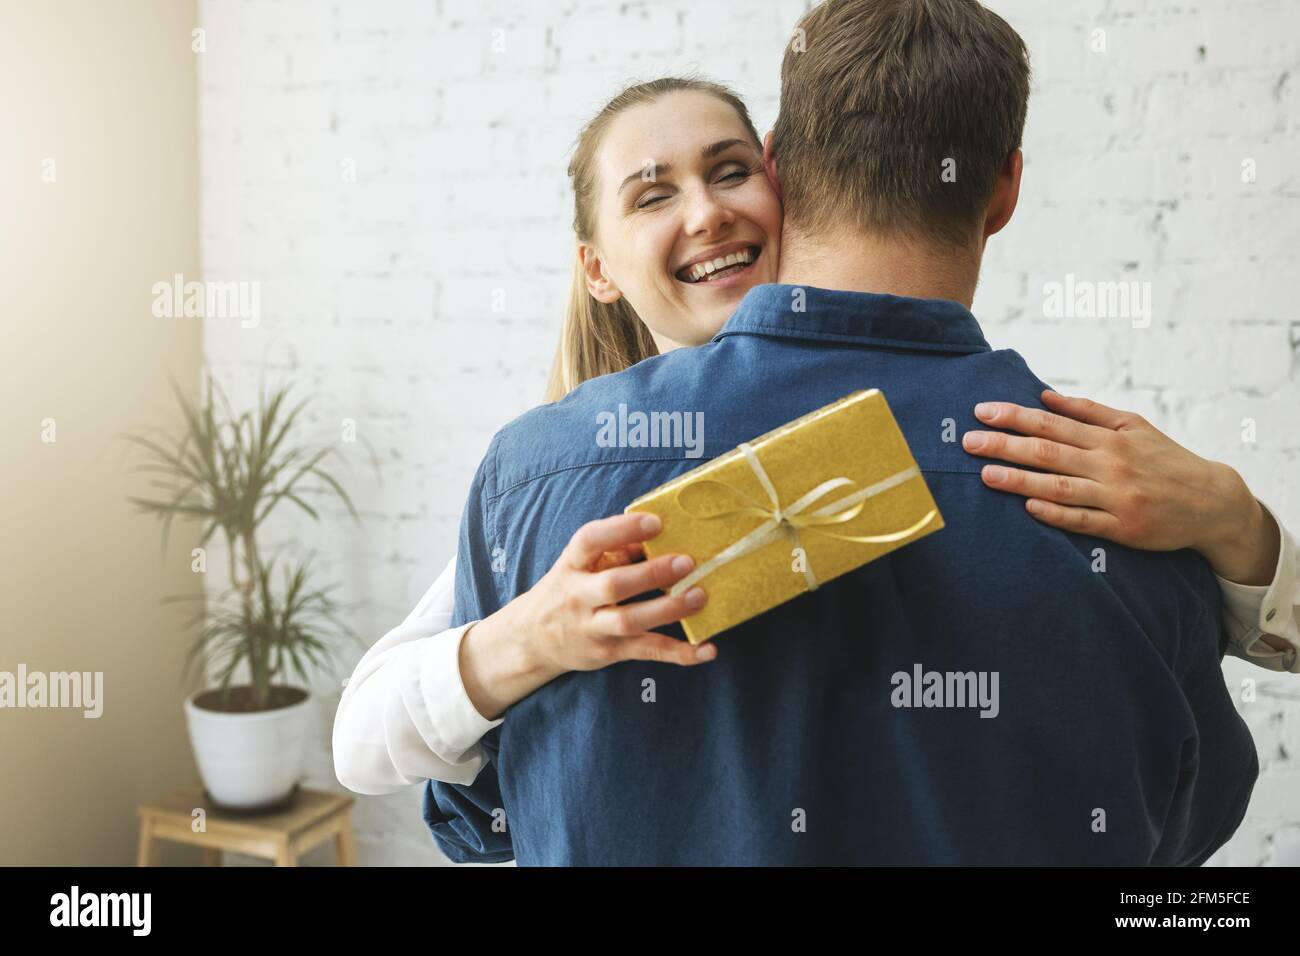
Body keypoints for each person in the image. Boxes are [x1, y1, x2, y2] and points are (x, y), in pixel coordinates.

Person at [335, 5, 1294, 864]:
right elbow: (1182, 821)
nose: (706, 216)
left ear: (781, 171)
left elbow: (472, 819)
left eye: (726, 173)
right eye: (652, 194)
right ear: (1003, 190)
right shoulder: (1130, 512)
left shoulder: (537, 481)